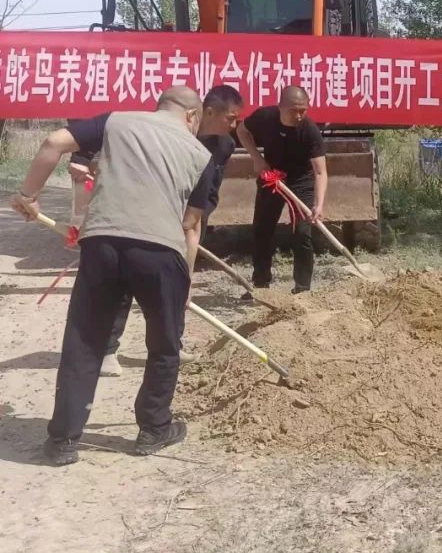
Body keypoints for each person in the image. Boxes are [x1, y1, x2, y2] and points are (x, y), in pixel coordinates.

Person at [10, 87, 214, 465]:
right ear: (191, 116)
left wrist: (29, 195)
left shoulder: (117, 121)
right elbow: (190, 225)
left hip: (103, 243)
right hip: (161, 252)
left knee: (85, 340)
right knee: (164, 343)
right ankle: (154, 429)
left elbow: (54, 141)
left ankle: (63, 441)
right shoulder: (201, 155)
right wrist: (183, 281)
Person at [67, 84, 245, 377]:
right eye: (230, 118)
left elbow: (209, 191)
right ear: (207, 112)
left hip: (184, 222)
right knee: (124, 281)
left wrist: (192, 221)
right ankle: (108, 350)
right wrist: (82, 159)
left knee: (177, 286)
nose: (234, 125)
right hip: (145, 216)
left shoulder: (223, 146)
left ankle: (173, 343)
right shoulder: (163, 129)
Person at [236, 86, 327, 294]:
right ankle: (261, 285)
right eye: (293, 110)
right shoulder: (265, 117)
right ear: (280, 108)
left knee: (303, 234)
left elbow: (320, 172)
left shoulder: (310, 130)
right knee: (262, 230)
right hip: (272, 177)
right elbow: (242, 130)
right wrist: (257, 159)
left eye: (303, 110)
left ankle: (302, 289)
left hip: (300, 182)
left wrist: (318, 204)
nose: (299, 115)